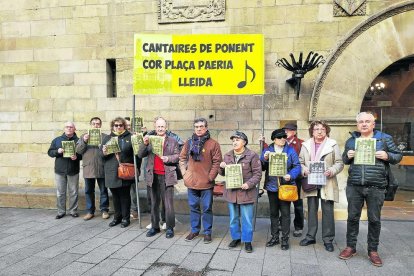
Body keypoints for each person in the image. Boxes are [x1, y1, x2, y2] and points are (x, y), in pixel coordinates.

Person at [339, 112, 402, 266]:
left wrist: (387, 155)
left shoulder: (384, 139)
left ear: (373, 124)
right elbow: (345, 160)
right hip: (355, 186)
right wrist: (348, 155)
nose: (364, 124)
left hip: (376, 186)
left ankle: (373, 250)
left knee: (374, 219)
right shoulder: (352, 140)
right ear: (357, 124)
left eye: (368, 121)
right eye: (361, 122)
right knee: (352, 218)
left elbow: (398, 156)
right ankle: (350, 247)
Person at [298, 121, 344, 252]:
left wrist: (331, 171)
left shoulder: (332, 144)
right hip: (311, 181)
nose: (319, 131)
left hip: (327, 181)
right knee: (311, 210)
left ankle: (328, 239)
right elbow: (300, 162)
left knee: (328, 211)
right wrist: (304, 169)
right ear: (312, 131)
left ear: (326, 131)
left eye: (322, 129)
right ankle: (310, 236)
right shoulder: (305, 145)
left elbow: (339, 163)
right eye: (316, 129)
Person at [179, 118, 222, 244]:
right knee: (193, 207)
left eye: (201, 126)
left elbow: (217, 162)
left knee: (207, 207)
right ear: (194, 128)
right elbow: (182, 158)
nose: (199, 129)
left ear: (206, 128)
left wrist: (211, 177)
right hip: (191, 181)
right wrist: (184, 173)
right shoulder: (189, 142)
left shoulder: (213, 144)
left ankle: (207, 232)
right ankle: (194, 230)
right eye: (196, 126)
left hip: (206, 183)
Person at [219, 131, 262, 253]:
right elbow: (222, 173)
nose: (234, 142)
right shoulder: (227, 155)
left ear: (244, 142)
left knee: (247, 218)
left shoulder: (252, 155)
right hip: (231, 192)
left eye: (237, 140)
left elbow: (258, 174)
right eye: (233, 140)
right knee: (233, 218)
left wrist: (249, 184)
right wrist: (221, 167)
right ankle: (236, 238)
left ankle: (247, 241)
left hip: (246, 192)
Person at [138, 117, 180, 239]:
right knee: (154, 203)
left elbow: (178, 156)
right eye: (158, 126)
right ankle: (155, 227)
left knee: (168, 204)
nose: (160, 128)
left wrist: (168, 158)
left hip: (167, 175)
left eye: (162, 126)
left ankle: (170, 227)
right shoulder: (149, 140)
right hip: (153, 175)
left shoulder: (173, 141)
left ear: (166, 127)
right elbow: (140, 154)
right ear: (155, 127)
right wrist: (144, 144)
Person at [260, 128, 300, 250]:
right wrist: (264, 158)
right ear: (274, 139)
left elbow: (297, 166)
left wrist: (291, 175)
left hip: (285, 186)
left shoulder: (290, 150)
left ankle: (285, 239)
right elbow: (261, 167)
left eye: (284, 137)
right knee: (273, 213)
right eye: (279, 137)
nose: (282, 139)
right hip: (272, 187)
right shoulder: (268, 150)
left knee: (286, 213)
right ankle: (274, 237)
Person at [101, 117, 135, 228]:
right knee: (115, 196)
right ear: (113, 126)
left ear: (124, 126)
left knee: (125, 196)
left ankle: (126, 218)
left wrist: (136, 169)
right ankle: (117, 217)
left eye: (121, 125)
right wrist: (104, 152)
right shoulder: (107, 138)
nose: (118, 127)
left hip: (125, 170)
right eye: (116, 125)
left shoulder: (130, 137)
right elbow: (100, 156)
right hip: (111, 171)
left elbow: (136, 155)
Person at [76, 117, 110, 221]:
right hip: (89, 168)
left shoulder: (105, 137)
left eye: (98, 124)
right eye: (94, 124)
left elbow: (110, 152)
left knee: (103, 190)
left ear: (101, 125)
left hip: (101, 167)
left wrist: (104, 148)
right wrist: (84, 141)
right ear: (90, 125)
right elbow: (78, 151)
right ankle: (90, 211)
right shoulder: (83, 136)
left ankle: (104, 210)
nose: (96, 125)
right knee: (88, 191)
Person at [47, 122, 82, 219]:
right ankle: (61, 211)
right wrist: (57, 151)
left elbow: (83, 154)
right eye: (67, 127)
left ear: (75, 129)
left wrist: (77, 157)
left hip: (73, 170)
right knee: (60, 192)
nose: (69, 128)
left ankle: (73, 210)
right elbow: (50, 152)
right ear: (64, 128)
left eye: (71, 127)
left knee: (74, 192)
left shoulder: (79, 141)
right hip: (60, 170)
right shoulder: (57, 140)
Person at [282, 123, 305, 237]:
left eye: (288, 130)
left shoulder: (302, 143)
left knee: (298, 203)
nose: (286, 132)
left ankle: (298, 226)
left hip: (297, 178)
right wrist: (263, 142)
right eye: (285, 130)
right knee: (283, 200)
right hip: (284, 176)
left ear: (294, 132)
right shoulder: (281, 142)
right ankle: (283, 223)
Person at [124, 117, 142, 220]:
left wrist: (138, 168)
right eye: (126, 125)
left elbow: (139, 154)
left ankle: (134, 210)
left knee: (133, 191)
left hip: (133, 167)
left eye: (129, 125)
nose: (128, 126)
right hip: (122, 168)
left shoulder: (135, 136)